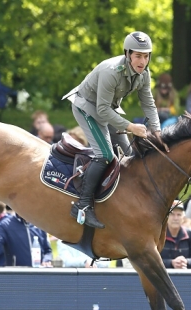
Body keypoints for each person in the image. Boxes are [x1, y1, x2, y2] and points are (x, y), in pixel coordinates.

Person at [62, 31, 161, 229]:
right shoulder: (111, 71)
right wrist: (131, 127)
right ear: (127, 54)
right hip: (86, 107)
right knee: (105, 155)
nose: (143, 61)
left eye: (146, 55)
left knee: (129, 155)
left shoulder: (145, 74)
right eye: (138, 56)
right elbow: (101, 110)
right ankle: (82, 206)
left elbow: (149, 104)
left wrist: (157, 133)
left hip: (108, 109)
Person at [0, 200, 53, 267]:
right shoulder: (5, 225)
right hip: (17, 277)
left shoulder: (40, 223)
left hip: (40, 275)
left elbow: (48, 250)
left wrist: (46, 260)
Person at [160, 200, 191, 269]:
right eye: (172, 214)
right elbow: (152, 260)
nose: (175, 218)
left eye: (179, 215)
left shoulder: (190, 234)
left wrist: (185, 262)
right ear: (166, 217)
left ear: (183, 218)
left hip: (185, 277)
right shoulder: (159, 235)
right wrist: (171, 263)